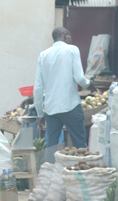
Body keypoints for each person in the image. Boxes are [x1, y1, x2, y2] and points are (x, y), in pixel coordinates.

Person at [34, 27, 96, 163]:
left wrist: (40, 113)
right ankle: (84, 176)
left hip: (51, 109)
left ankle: (48, 177)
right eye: (70, 37)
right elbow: (80, 78)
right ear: (64, 35)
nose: (71, 40)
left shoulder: (43, 55)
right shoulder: (72, 49)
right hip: (71, 106)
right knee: (80, 145)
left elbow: (38, 88)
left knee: (51, 147)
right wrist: (89, 84)